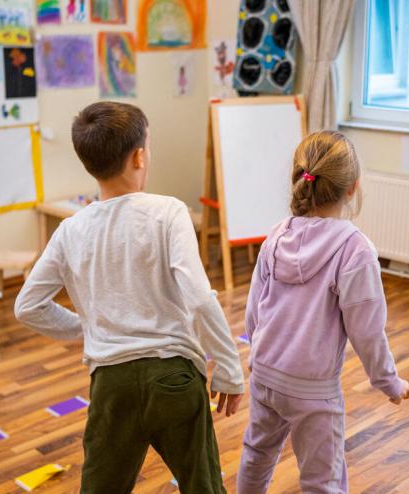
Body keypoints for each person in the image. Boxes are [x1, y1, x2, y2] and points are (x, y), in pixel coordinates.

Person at [14, 102, 244, 493]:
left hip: (111, 384)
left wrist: (88, 329)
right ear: (139, 156)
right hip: (174, 376)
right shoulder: (168, 212)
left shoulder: (71, 230)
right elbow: (200, 299)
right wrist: (229, 367)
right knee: (203, 487)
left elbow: (27, 307)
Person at [236, 131, 409, 493]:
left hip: (266, 375)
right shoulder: (355, 250)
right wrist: (388, 380)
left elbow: (255, 308)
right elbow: (367, 331)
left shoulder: (276, 234)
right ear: (352, 189)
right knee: (323, 480)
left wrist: (258, 351)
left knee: (256, 454)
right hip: (313, 391)